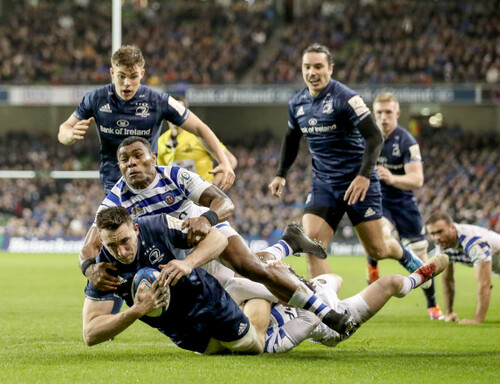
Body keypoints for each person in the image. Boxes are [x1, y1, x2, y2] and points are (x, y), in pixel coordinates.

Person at [81, 136, 357, 337]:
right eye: (124, 160)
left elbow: (224, 203)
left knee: (248, 267)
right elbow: (89, 246)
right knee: (238, 286)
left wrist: (206, 218)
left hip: (204, 235)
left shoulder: (175, 176)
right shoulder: (115, 201)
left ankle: (325, 313)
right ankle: (286, 246)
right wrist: (89, 269)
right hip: (176, 257)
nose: (132, 163)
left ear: (153, 157)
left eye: (138, 155)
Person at [268, 43, 427, 287]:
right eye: (307, 67)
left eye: (319, 66)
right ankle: (326, 308)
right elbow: (291, 139)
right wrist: (281, 174)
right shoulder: (297, 103)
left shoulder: (346, 98)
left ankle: (404, 255)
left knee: (378, 249)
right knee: (311, 244)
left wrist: (364, 175)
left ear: (330, 68)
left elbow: (374, 136)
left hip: (358, 184)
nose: (312, 72)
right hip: (324, 183)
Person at [82, 206, 264, 355]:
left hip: (208, 303)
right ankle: (239, 297)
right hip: (178, 330)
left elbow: (219, 239)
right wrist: (136, 311)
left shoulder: (157, 226)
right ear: (101, 240)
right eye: (111, 245)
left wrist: (188, 263)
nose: (121, 252)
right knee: (220, 353)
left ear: (135, 229)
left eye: (125, 241)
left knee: (253, 347)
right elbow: (90, 334)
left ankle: (260, 297)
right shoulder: (103, 270)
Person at [58, 45, 234, 195]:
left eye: (133, 76)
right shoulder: (95, 98)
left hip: (150, 189)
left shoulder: (158, 100)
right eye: (121, 76)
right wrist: (70, 135)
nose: (127, 83)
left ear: (142, 74)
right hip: (114, 188)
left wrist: (224, 162)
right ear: (112, 73)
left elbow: (200, 128)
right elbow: (64, 129)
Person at [202, 253, 448, 352]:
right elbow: (311, 318)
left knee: (334, 277)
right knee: (391, 283)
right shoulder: (271, 343)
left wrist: (277, 277)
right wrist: (283, 283)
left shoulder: (240, 310)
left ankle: (294, 247)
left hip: (309, 291)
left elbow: (237, 287)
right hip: (331, 321)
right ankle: (417, 279)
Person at [366, 92, 442, 320]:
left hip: (405, 204)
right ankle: (373, 269)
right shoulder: (367, 139)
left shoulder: (407, 141)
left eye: (388, 112)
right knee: (379, 233)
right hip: (380, 202)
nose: (384, 117)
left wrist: (391, 178)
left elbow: (417, 180)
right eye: (379, 113)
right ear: (373, 114)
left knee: (422, 260)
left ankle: (433, 306)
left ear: (397, 113)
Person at [425, 212, 500, 327]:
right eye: (432, 234)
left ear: (452, 227)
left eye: (440, 232)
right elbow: (448, 280)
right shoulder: (444, 246)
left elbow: (484, 283)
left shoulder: (473, 241)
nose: (437, 238)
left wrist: (477, 319)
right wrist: (449, 312)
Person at [157, 95, 238, 188]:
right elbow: (162, 173)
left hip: (203, 195)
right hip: (180, 198)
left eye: (179, 110)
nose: (175, 114)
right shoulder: (160, 141)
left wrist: (214, 184)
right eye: (172, 111)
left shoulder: (199, 136)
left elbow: (231, 160)